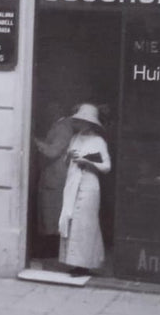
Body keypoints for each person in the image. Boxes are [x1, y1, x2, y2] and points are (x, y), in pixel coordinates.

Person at [58, 103, 111, 277]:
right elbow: (67, 161)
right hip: (74, 181)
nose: (79, 124)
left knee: (85, 224)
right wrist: (70, 157)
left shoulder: (98, 141)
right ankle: (74, 262)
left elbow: (106, 167)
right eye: (78, 121)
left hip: (89, 184)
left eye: (82, 121)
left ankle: (85, 264)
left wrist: (88, 162)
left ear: (90, 123)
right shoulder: (75, 138)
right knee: (71, 220)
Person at [32, 100, 74, 253]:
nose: (48, 111)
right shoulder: (59, 125)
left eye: (51, 107)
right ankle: (49, 249)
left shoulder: (63, 127)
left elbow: (53, 151)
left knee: (52, 212)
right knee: (49, 212)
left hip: (56, 176)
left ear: (59, 109)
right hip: (52, 176)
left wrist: (36, 142)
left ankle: (51, 251)